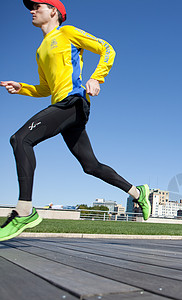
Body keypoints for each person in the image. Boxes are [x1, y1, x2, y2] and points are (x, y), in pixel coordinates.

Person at [0, 0, 151, 241]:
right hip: (62, 106)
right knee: (90, 166)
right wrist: (22, 88)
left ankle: (24, 210)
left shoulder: (68, 32)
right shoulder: (40, 51)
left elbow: (107, 48)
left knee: (20, 139)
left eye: (37, 6)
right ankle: (137, 192)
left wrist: (97, 78)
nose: (32, 10)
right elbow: (45, 88)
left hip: (74, 103)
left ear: (54, 11)